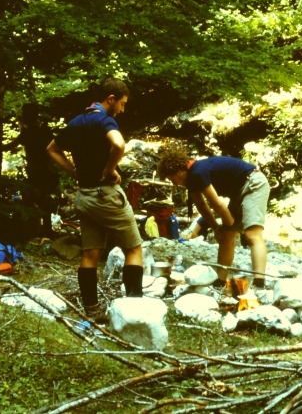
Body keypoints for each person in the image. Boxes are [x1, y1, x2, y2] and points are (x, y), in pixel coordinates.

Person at [46, 78, 143, 322]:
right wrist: (111, 169)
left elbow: (51, 149)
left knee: (91, 253)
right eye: (121, 104)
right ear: (110, 99)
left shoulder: (76, 122)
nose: (122, 110)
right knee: (134, 249)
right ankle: (134, 312)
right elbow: (119, 144)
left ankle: (92, 310)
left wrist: (73, 172)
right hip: (105, 195)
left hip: (84, 196)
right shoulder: (104, 120)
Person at [157, 146, 270, 289]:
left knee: (252, 235)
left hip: (253, 183)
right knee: (226, 237)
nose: (174, 183)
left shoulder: (198, 172)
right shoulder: (191, 179)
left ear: (179, 170)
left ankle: (260, 281)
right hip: (238, 192)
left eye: (172, 178)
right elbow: (201, 206)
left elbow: (217, 204)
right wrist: (217, 228)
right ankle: (221, 281)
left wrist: (229, 223)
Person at [4, 103, 60, 236]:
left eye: (25, 115)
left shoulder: (29, 132)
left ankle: (39, 229)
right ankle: (44, 229)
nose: (23, 118)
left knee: (37, 198)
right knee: (43, 199)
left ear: (31, 116)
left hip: (38, 170)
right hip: (45, 169)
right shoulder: (44, 131)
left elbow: (11, 146)